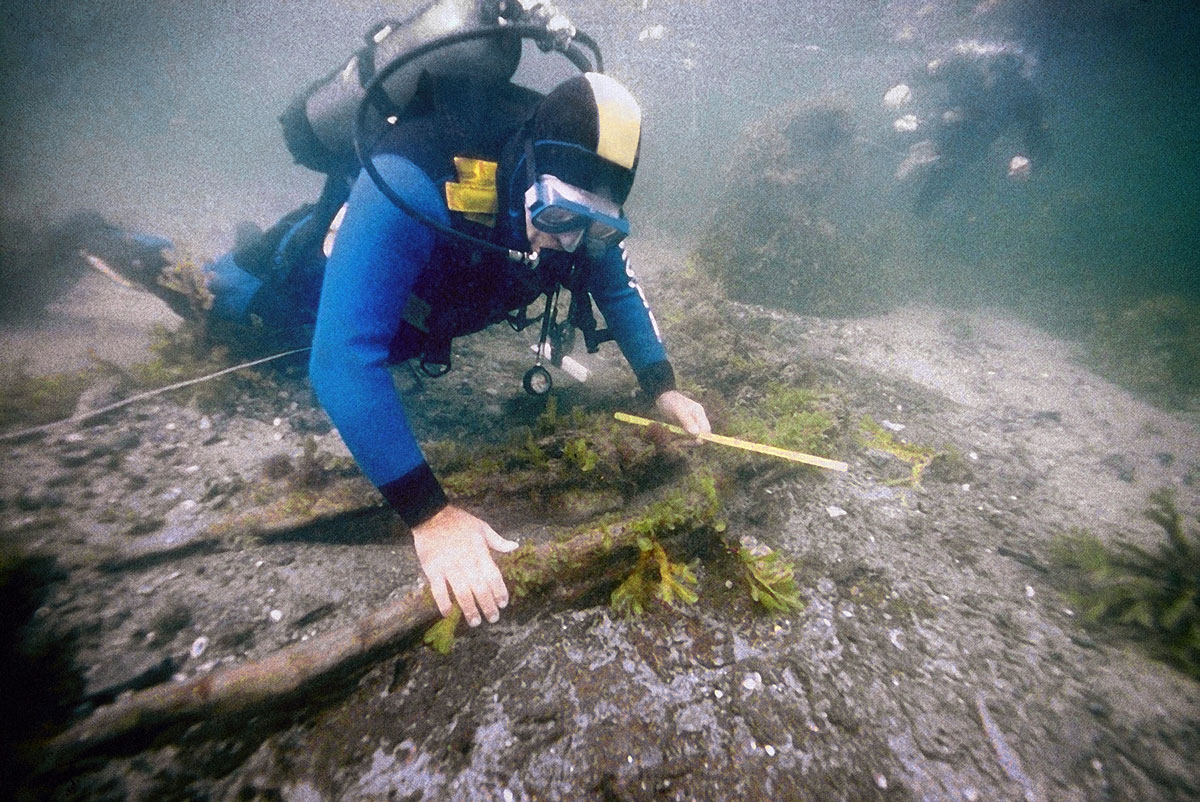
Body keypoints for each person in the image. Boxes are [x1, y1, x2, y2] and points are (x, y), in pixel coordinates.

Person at [198, 70, 711, 630]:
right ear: (528, 172)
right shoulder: (417, 174)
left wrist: (662, 386)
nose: (568, 241)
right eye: (558, 214)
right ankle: (232, 263)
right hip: (329, 275)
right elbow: (342, 358)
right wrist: (430, 516)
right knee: (260, 314)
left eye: (596, 227)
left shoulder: (579, 220)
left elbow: (616, 285)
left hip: (428, 308)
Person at [888, 40, 1052, 215]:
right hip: (939, 129)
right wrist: (902, 85)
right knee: (890, 142)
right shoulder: (961, 64)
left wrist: (1030, 162)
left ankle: (912, 206)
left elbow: (1038, 133)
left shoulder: (1022, 93)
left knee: (923, 205)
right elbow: (926, 72)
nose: (992, 76)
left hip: (967, 150)